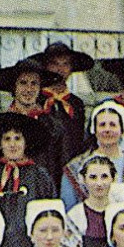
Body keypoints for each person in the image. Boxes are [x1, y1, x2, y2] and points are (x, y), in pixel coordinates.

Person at [0, 113, 58, 247]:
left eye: (17, 138)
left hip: (28, 246)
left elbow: (50, 213)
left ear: (26, 143)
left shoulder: (40, 175)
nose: (12, 144)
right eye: (7, 139)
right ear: (0, 144)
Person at [59, 101, 124, 210]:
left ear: (122, 130)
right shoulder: (75, 167)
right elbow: (69, 208)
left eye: (113, 125)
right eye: (102, 125)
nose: (107, 130)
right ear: (94, 130)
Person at [0, 58, 64, 182]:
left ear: (40, 88)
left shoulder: (53, 126)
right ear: (14, 87)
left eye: (34, 83)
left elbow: (58, 167)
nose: (29, 89)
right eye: (23, 83)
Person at [30, 40, 96, 174]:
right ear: (46, 67)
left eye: (65, 64)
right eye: (54, 64)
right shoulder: (35, 99)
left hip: (69, 168)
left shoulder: (76, 104)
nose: (60, 69)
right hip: (42, 169)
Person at [65, 155, 122, 247]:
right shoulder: (74, 216)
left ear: (114, 178)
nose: (99, 183)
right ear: (83, 179)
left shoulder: (122, 212)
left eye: (104, 177)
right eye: (93, 177)